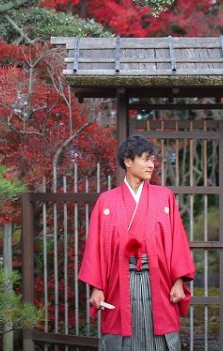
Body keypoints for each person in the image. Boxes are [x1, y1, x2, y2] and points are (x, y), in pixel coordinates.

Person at [79, 135, 195, 351]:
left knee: (160, 336)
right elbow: (95, 246)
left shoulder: (164, 197)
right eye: (145, 159)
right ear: (128, 161)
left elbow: (177, 241)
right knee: (120, 335)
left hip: (159, 279)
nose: (152, 165)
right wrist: (97, 287)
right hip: (118, 281)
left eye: (152, 159)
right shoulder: (107, 201)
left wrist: (178, 281)